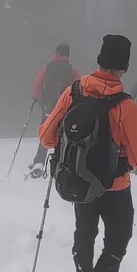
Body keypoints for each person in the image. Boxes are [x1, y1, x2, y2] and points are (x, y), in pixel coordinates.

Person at [37, 34, 137, 272]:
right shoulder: (124, 107)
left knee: (85, 232)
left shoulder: (73, 93)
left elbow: (46, 136)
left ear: (99, 60)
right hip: (115, 188)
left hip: (80, 182)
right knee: (117, 240)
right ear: (123, 67)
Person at [28, 43, 78, 177]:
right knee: (63, 136)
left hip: (48, 108)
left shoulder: (46, 68)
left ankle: (39, 162)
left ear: (57, 53)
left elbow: (36, 87)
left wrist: (38, 100)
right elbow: (78, 88)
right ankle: (60, 162)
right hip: (65, 110)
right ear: (67, 55)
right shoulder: (71, 71)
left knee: (45, 133)